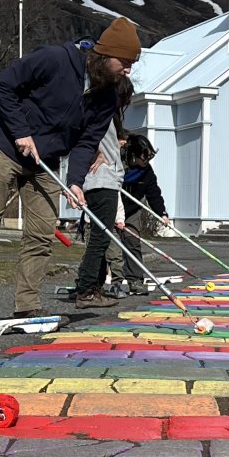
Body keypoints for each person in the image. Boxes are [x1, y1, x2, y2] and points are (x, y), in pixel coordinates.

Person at [0, 17, 141, 329]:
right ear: (106, 55)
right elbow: (4, 84)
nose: (128, 70)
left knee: (40, 234)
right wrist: (21, 131)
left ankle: (26, 306)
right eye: (126, 62)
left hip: (46, 162)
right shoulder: (56, 60)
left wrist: (75, 182)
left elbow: (87, 141)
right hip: (6, 149)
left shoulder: (108, 95)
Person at [71, 105, 133, 308]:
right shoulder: (101, 110)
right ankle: (87, 289)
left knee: (101, 239)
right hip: (102, 180)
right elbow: (82, 135)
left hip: (105, 180)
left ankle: (90, 287)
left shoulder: (108, 117)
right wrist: (97, 152)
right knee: (100, 239)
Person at [119, 134, 168, 292]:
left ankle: (135, 280)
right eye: (144, 157)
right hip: (113, 205)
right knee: (108, 245)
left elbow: (153, 193)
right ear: (133, 155)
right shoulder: (118, 164)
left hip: (132, 209)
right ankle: (104, 281)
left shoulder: (146, 171)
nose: (147, 161)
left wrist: (162, 213)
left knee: (132, 240)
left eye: (149, 157)